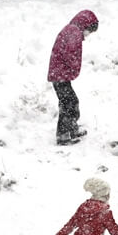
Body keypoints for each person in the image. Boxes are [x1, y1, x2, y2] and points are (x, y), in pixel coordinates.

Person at [47, 9, 99, 146]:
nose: (87, 35)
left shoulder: (72, 30)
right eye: (89, 31)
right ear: (86, 25)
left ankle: (72, 129)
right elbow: (70, 54)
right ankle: (63, 135)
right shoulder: (73, 32)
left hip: (60, 74)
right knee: (68, 103)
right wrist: (74, 67)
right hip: (60, 75)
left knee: (71, 101)